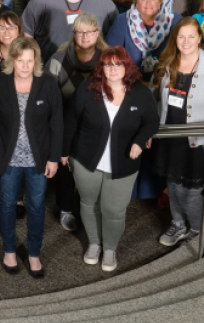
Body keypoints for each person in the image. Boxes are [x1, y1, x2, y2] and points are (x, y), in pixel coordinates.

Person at [62, 46, 160, 270]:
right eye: (108, 65)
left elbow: (152, 121)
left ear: (127, 66)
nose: (113, 69)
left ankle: (109, 250)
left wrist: (140, 139)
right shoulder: (87, 89)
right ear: (101, 67)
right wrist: (63, 153)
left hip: (124, 164)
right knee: (88, 204)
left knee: (114, 210)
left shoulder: (140, 93)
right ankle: (94, 244)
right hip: (86, 161)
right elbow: (70, 122)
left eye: (118, 64)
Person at [152, 17, 204, 245]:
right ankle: (178, 225)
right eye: (181, 36)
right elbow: (163, 104)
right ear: (175, 39)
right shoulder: (169, 63)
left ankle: (198, 231)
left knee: (190, 194)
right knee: (173, 187)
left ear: (200, 37)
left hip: (199, 144)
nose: (186, 41)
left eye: (191, 36)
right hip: (172, 141)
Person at [0, 36, 62, 278]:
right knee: (7, 203)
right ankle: (9, 250)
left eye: (30, 60)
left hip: (38, 160)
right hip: (8, 158)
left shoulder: (48, 83)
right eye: (20, 60)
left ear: (36, 61)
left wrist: (53, 158)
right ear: (12, 61)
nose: (26, 66)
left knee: (37, 206)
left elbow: (57, 123)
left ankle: (34, 254)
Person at [45, 11, 105, 230]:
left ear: (97, 33)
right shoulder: (58, 59)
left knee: (95, 167)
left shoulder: (108, 59)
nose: (85, 36)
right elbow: (49, 95)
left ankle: (91, 207)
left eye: (89, 32)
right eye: (80, 32)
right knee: (66, 167)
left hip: (97, 124)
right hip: (65, 121)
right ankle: (66, 208)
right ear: (73, 34)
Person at [22, 0, 118, 75]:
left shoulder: (105, 4)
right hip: (51, 73)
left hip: (94, 75)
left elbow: (115, 44)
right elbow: (26, 38)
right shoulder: (41, 2)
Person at [106, 0, 180, 77]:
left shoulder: (175, 20)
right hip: (129, 79)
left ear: (160, 1)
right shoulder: (122, 20)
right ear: (136, 2)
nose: (148, 4)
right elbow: (110, 55)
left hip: (165, 78)